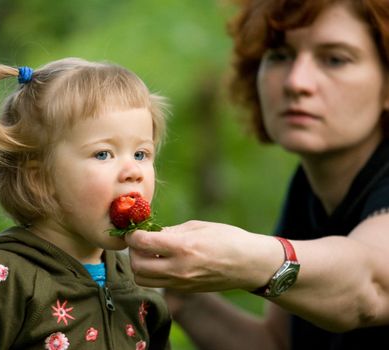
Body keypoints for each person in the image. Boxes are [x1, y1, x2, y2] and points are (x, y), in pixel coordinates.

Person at [125, 0, 389, 349]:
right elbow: (277, 344)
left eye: (334, 59)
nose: (297, 82)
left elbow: (368, 287)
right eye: (279, 55)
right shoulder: (309, 187)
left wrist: (245, 258)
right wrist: (169, 291)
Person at [0, 58, 172, 350]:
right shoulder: (0, 280)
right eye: (104, 154)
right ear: (40, 178)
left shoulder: (138, 283)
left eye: (141, 154)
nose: (133, 171)